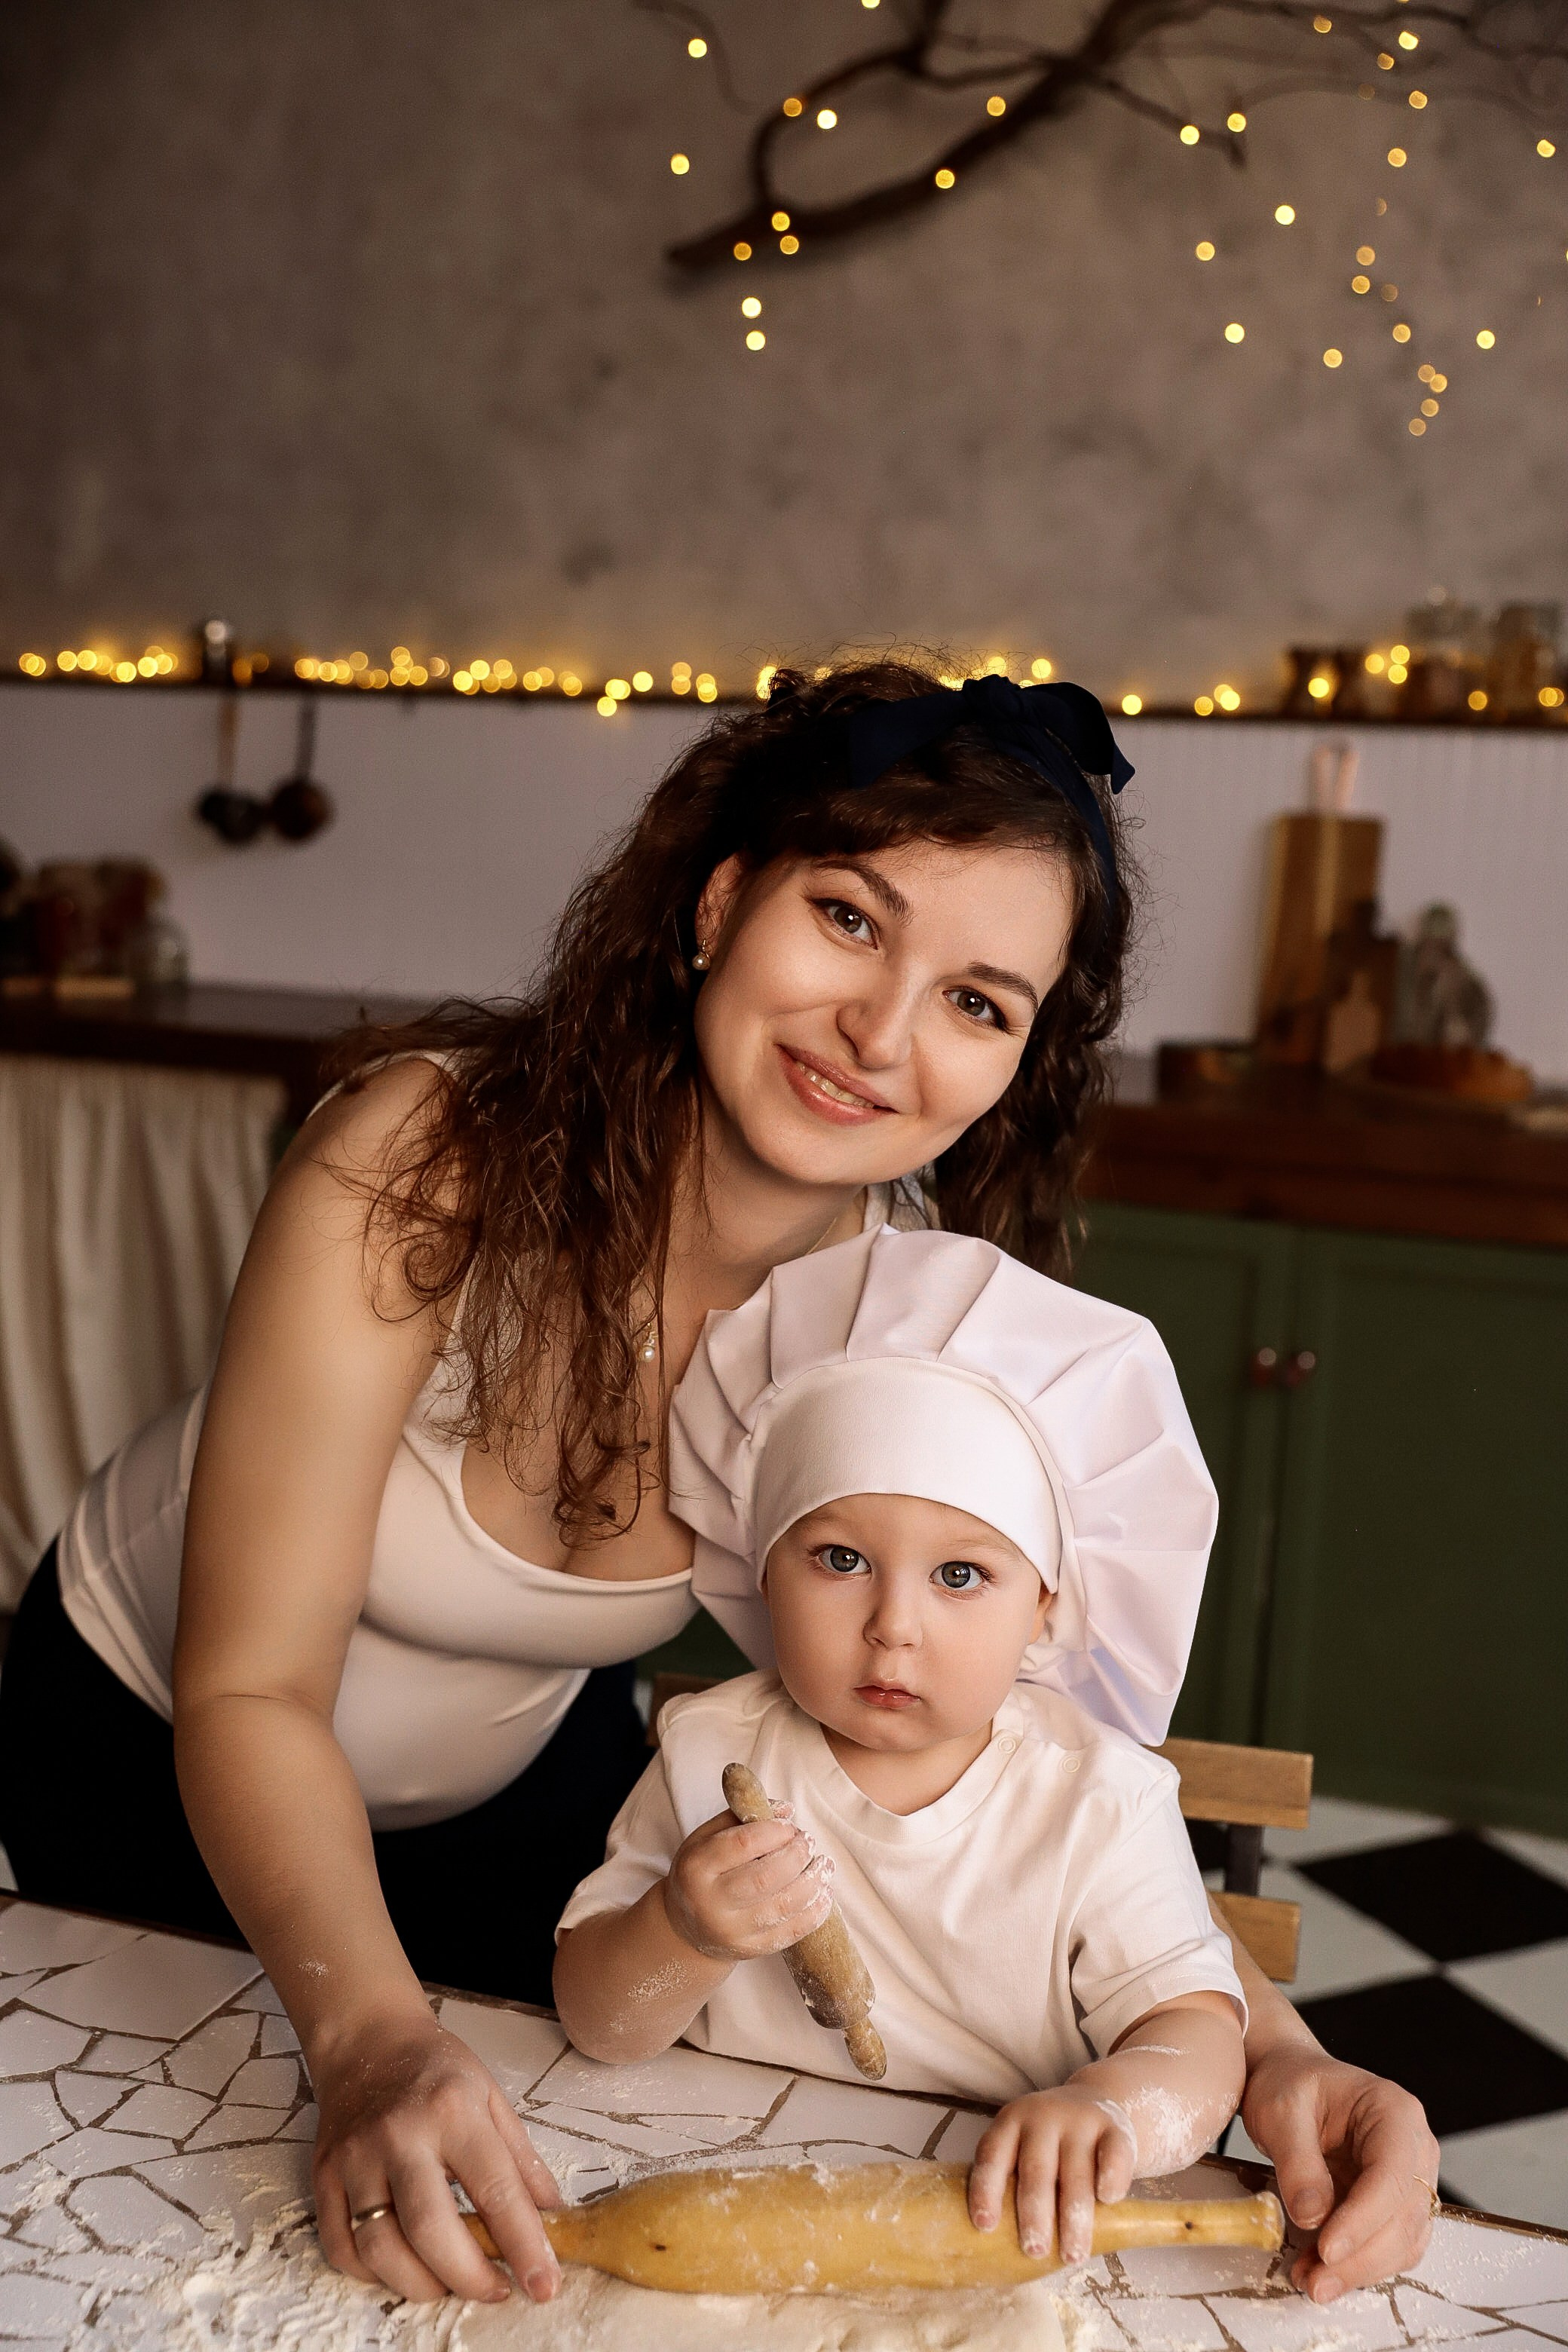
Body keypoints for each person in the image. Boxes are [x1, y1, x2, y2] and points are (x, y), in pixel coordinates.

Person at [0, 661, 1438, 2307]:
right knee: (155, 2230)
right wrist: (373, 2032)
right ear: (719, 895)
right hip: (157, 1738)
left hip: (515, 1789)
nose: (880, 1035)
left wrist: (1277, 2063)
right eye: (846, 919)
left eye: (977, 1001)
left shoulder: (888, 1325)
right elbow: (250, 1684)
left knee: (497, 2246)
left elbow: (1019, 1759)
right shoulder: (421, 1160)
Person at [555, 1225, 1251, 2266]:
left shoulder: (1096, 1803)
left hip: (988, 2229)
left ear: (1047, 1608)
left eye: (961, 1576)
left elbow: (1199, 2035)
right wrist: (682, 1934)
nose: (894, 1625)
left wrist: (1110, 2107)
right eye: (840, 1558)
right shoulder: (710, 1753)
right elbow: (601, 2025)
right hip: (714, 2206)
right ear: (761, 1568)